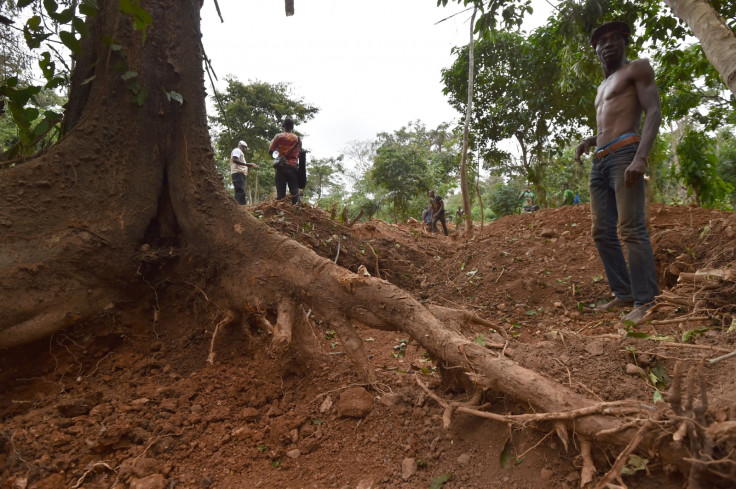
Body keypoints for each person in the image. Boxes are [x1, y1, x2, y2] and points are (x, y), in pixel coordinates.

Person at [574, 21, 661, 323]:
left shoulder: (637, 68)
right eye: (602, 41)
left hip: (625, 154)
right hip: (600, 161)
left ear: (625, 42)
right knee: (602, 232)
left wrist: (641, 157)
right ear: (595, 51)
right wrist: (589, 141)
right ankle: (623, 293)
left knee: (631, 228)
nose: (608, 43)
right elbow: (606, 125)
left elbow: (653, 110)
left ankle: (647, 301)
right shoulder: (601, 88)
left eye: (615, 38)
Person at [269, 117, 302, 204]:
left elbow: (270, 151)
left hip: (281, 167)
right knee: (294, 193)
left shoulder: (279, 136)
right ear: (292, 127)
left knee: (280, 194)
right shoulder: (298, 139)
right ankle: (296, 212)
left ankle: (280, 213)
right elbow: (300, 153)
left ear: (283, 126)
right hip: (293, 168)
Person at [230, 140, 259, 205]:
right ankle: (242, 207)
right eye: (246, 148)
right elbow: (234, 160)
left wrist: (249, 165)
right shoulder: (237, 150)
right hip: (238, 173)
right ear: (243, 147)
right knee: (240, 191)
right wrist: (247, 164)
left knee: (240, 190)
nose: (246, 150)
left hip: (240, 174)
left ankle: (239, 206)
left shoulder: (239, 152)